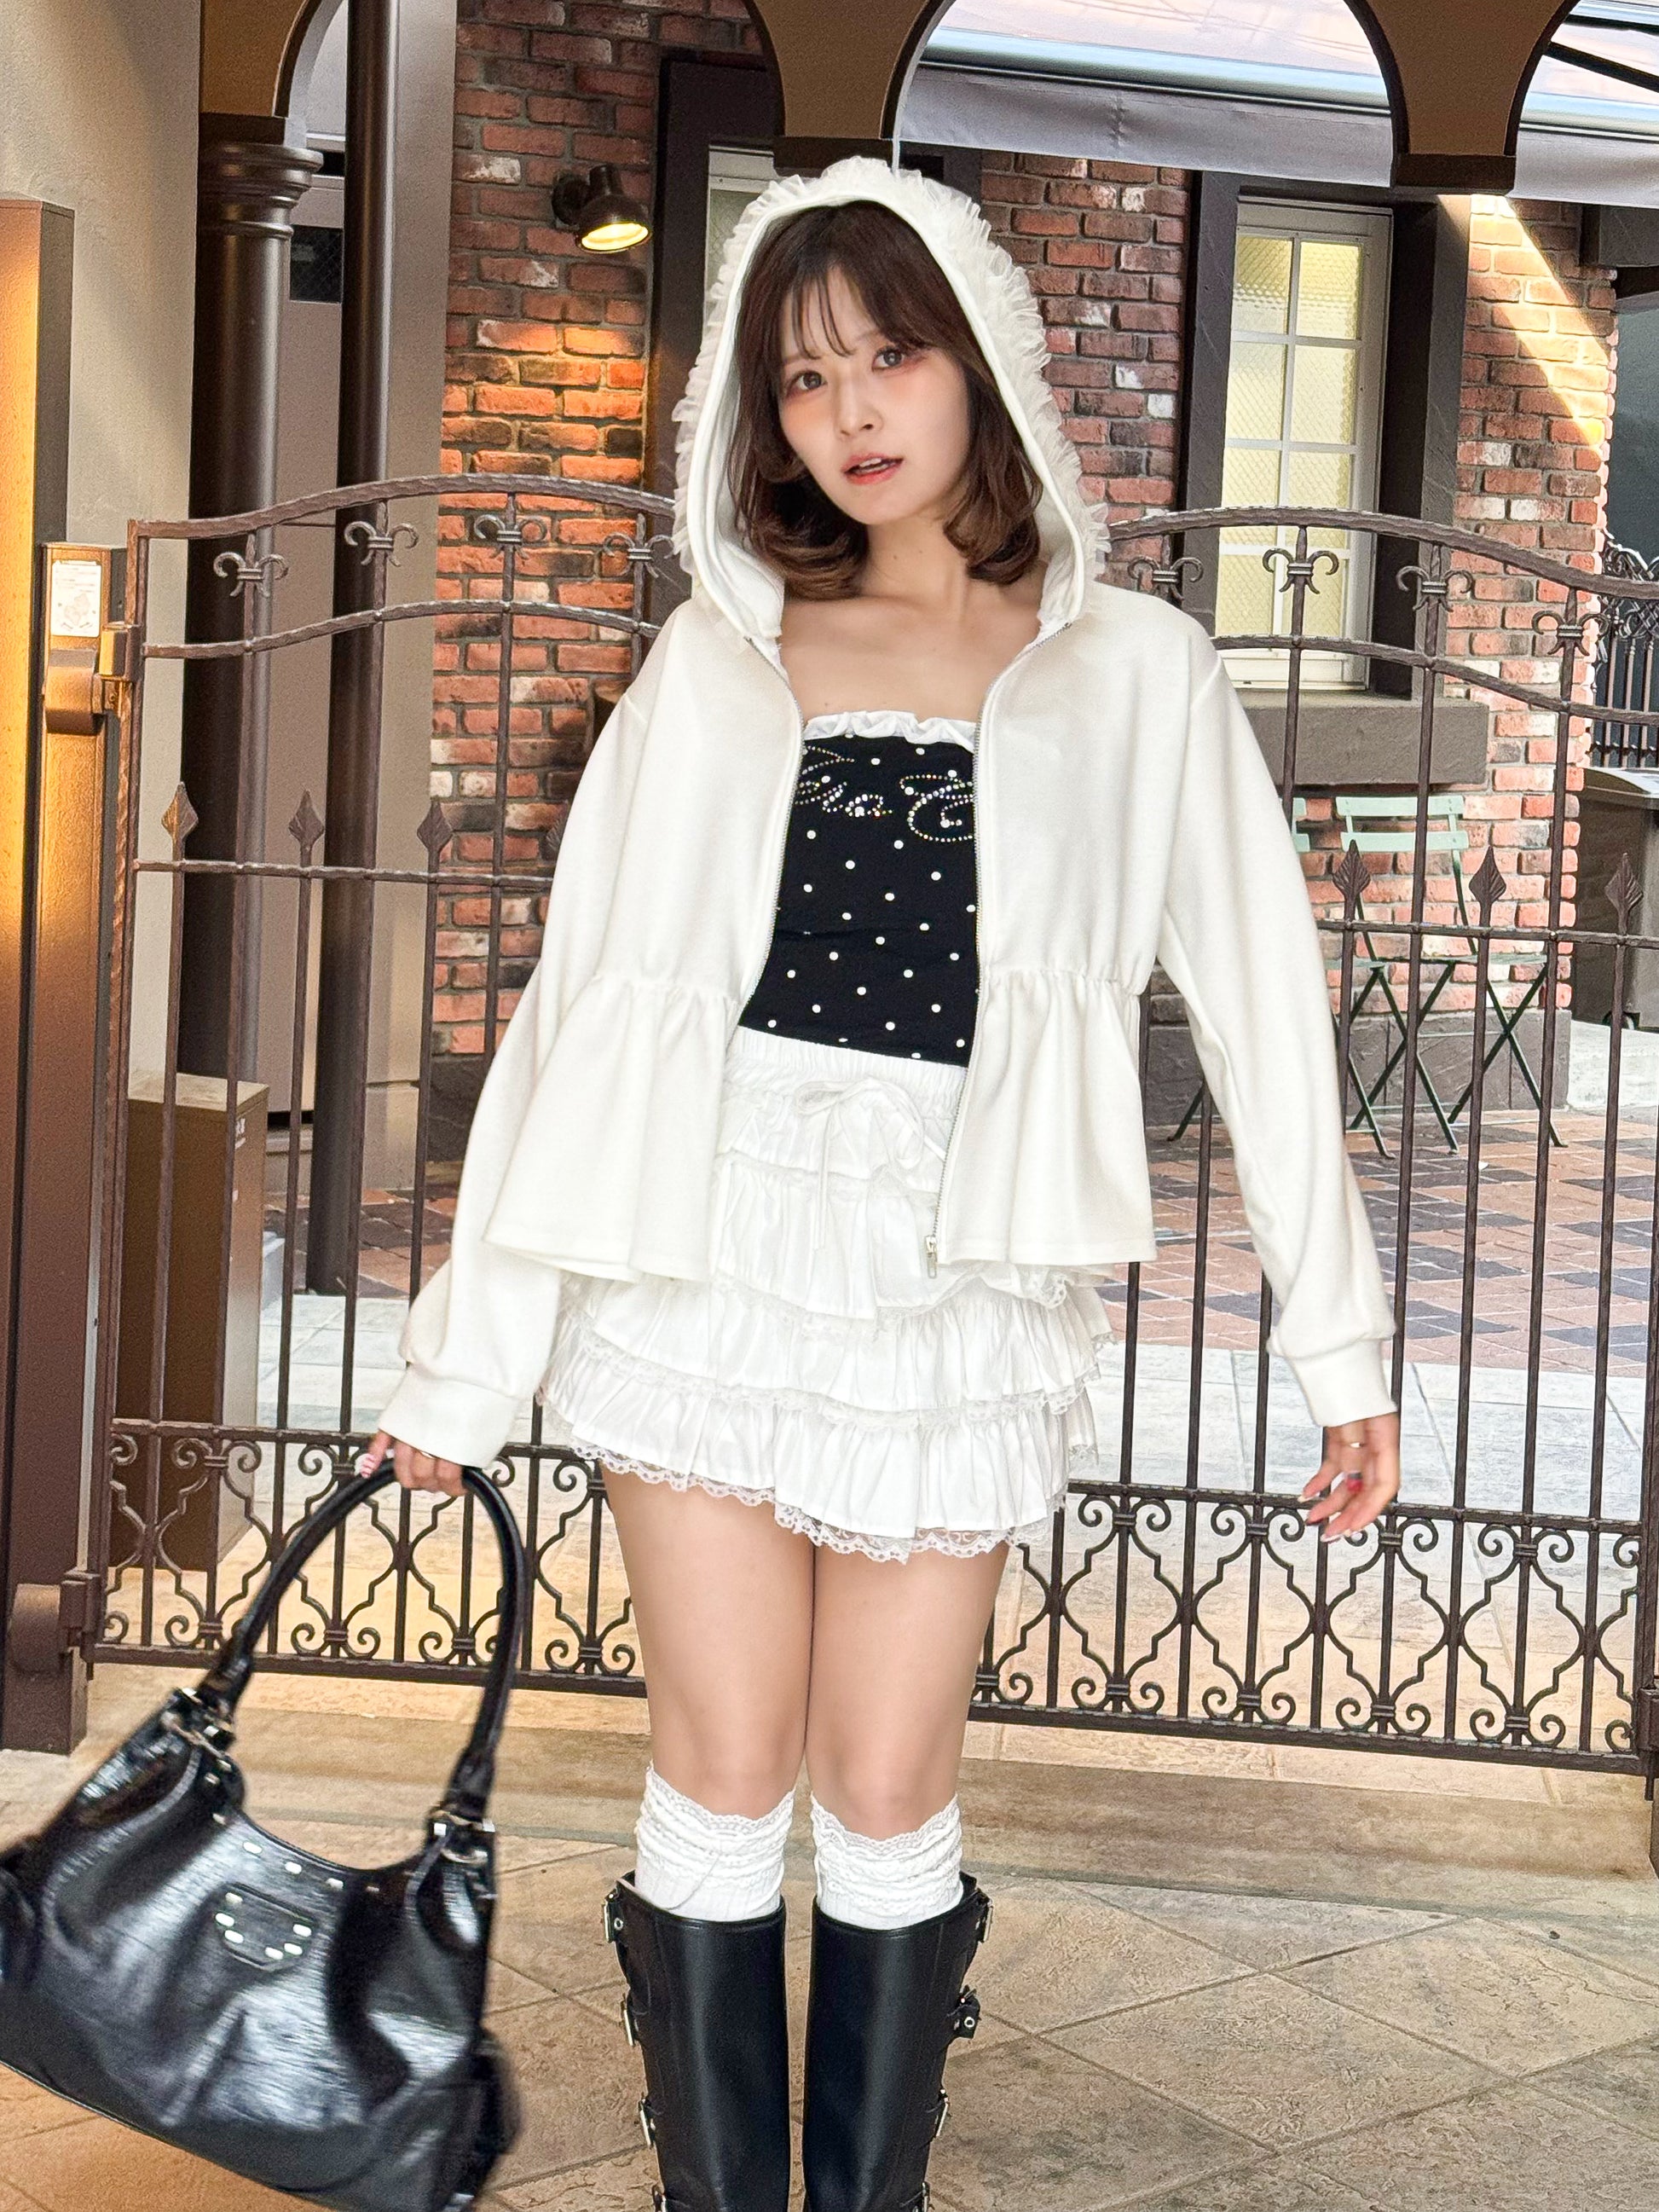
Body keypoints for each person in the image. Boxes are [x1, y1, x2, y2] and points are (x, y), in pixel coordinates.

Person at [362, 155, 1402, 2212]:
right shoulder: (717, 659)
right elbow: (585, 1013)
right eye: (803, 375)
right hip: (703, 1248)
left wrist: (1340, 1345)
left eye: (889, 356)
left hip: (958, 1278)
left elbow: (1267, 1021)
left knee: (886, 1778)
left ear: (979, 362)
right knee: (721, 1768)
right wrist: (462, 1368)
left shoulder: (1137, 671)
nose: (849, 410)